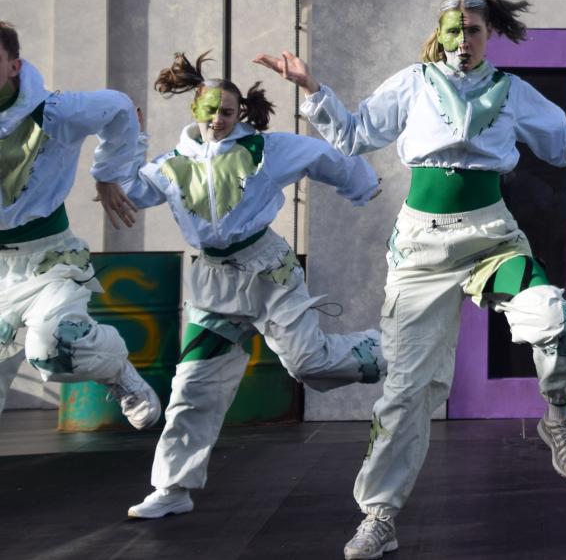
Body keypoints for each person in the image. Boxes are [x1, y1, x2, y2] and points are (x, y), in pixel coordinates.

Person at [256, 0, 566, 560]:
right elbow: (356, 134)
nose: (464, 40)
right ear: (441, 33)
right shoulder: (414, 82)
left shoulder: (510, 90)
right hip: (420, 252)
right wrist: (311, 88)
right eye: (455, 30)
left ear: (489, 34)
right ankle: (380, 516)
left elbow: (562, 144)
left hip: (490, 240)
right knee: (406, 391)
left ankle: (557, 417)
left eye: (474, 30)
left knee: (553, 320)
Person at [124, 53, 386, 520]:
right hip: (213, 284)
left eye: (228, 112)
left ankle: (393, 350)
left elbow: (322, 156)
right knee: (193, 385)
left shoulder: (265, 150)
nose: (218, 119)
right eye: (211, 110)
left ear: (238, 113)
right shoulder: (168, 165)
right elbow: (128, 193)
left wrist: (362, 185)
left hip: (268, 273)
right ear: (195, 108)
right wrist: (131, 140)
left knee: (309, 364)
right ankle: (173, 487)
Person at [0, 20, 159, 428]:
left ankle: (117, 370)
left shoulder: (56, 111)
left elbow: (119, 108)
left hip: (46, 259)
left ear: (14, 66)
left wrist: (107, 174)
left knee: (52, 349)